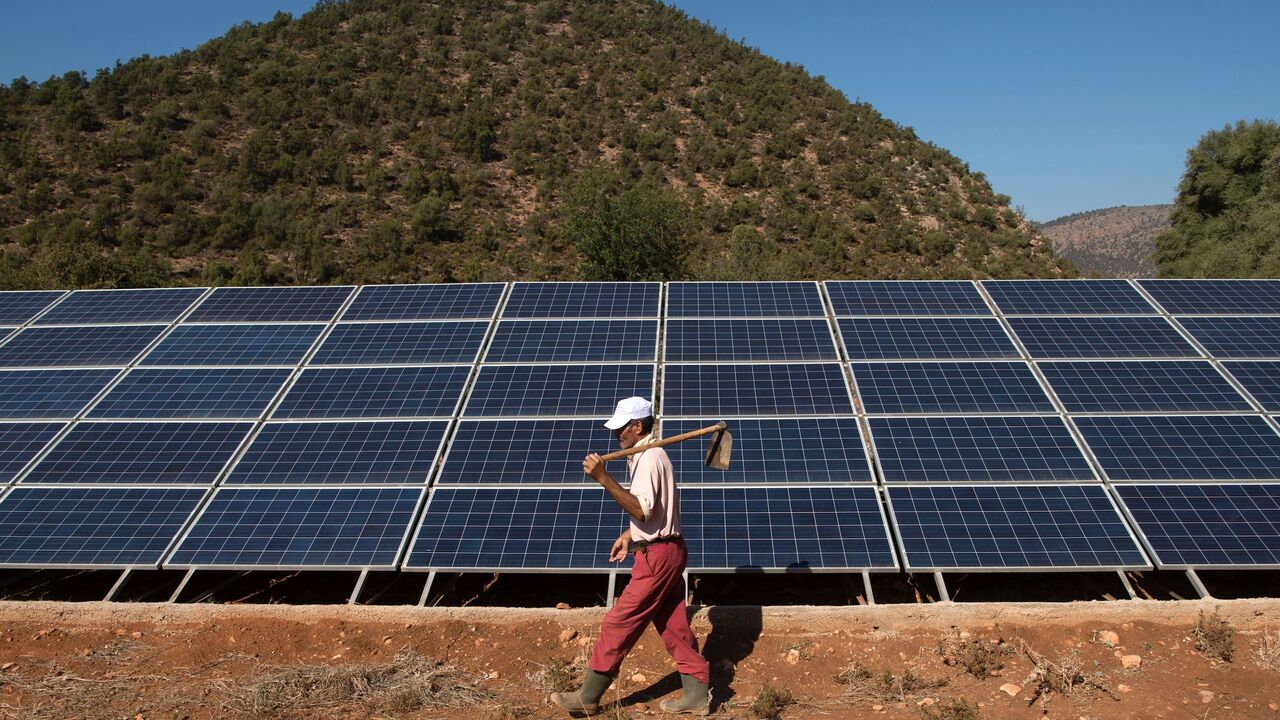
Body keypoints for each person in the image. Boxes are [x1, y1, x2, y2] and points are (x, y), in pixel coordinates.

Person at [551, 396, 711, 716]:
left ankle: (588, 697)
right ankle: (697, 694)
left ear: (637, 427)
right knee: (673, 624)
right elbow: (655, 514)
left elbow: (641, 508)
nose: (616, 435)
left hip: (657, 557)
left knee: (618, 622)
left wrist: (603, 478)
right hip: (665, 549)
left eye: (621, 429)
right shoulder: (644, 455)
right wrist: (630, 536)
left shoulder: (650, 458)